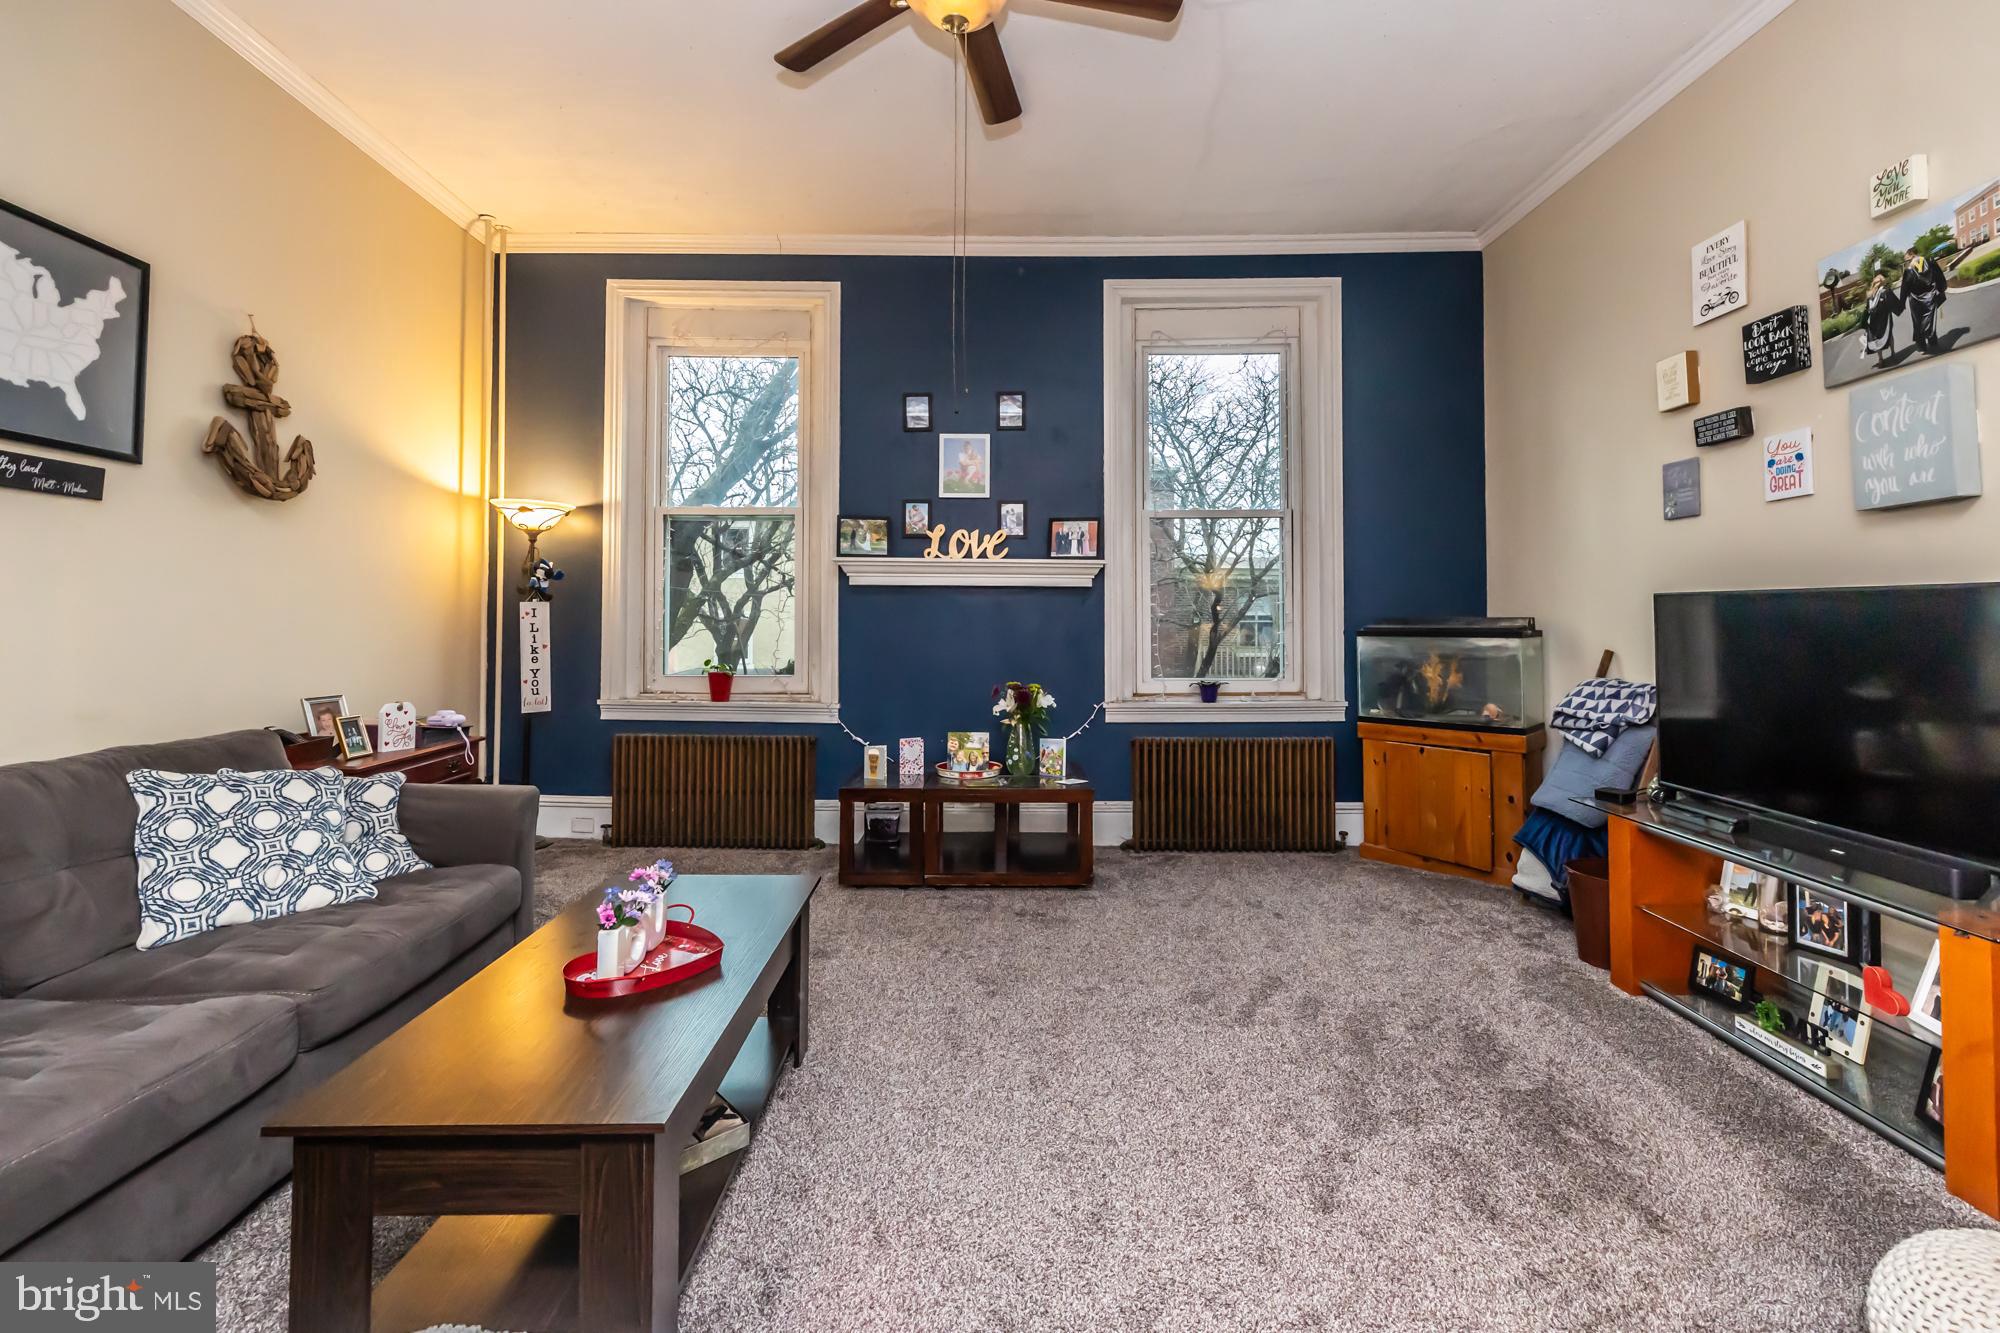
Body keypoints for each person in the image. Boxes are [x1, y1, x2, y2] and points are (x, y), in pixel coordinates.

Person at [1899, 245, 1949, 354]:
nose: (1906, 261)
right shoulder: (1929, 262)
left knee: (1918, 323)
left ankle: (1922, 347)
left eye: (1907, 259)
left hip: (1915, 300)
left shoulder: (1909, 270)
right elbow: (1939, 276)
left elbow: (1905, 288)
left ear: (1912, 255)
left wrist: (1901, 303)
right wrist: (1941, 289)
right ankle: (1932, 341)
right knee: (1930, 320)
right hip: (1930, 297)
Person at [1862, 273, 1902, 367]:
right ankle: (1891, 354)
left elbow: (1868, 308)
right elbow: (1893, 303)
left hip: (1878, 318)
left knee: (1879, 337)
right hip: (1882, 318)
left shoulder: (1873, 293)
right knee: (1886, 335)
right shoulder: (1879, 292)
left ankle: (1882, 358)